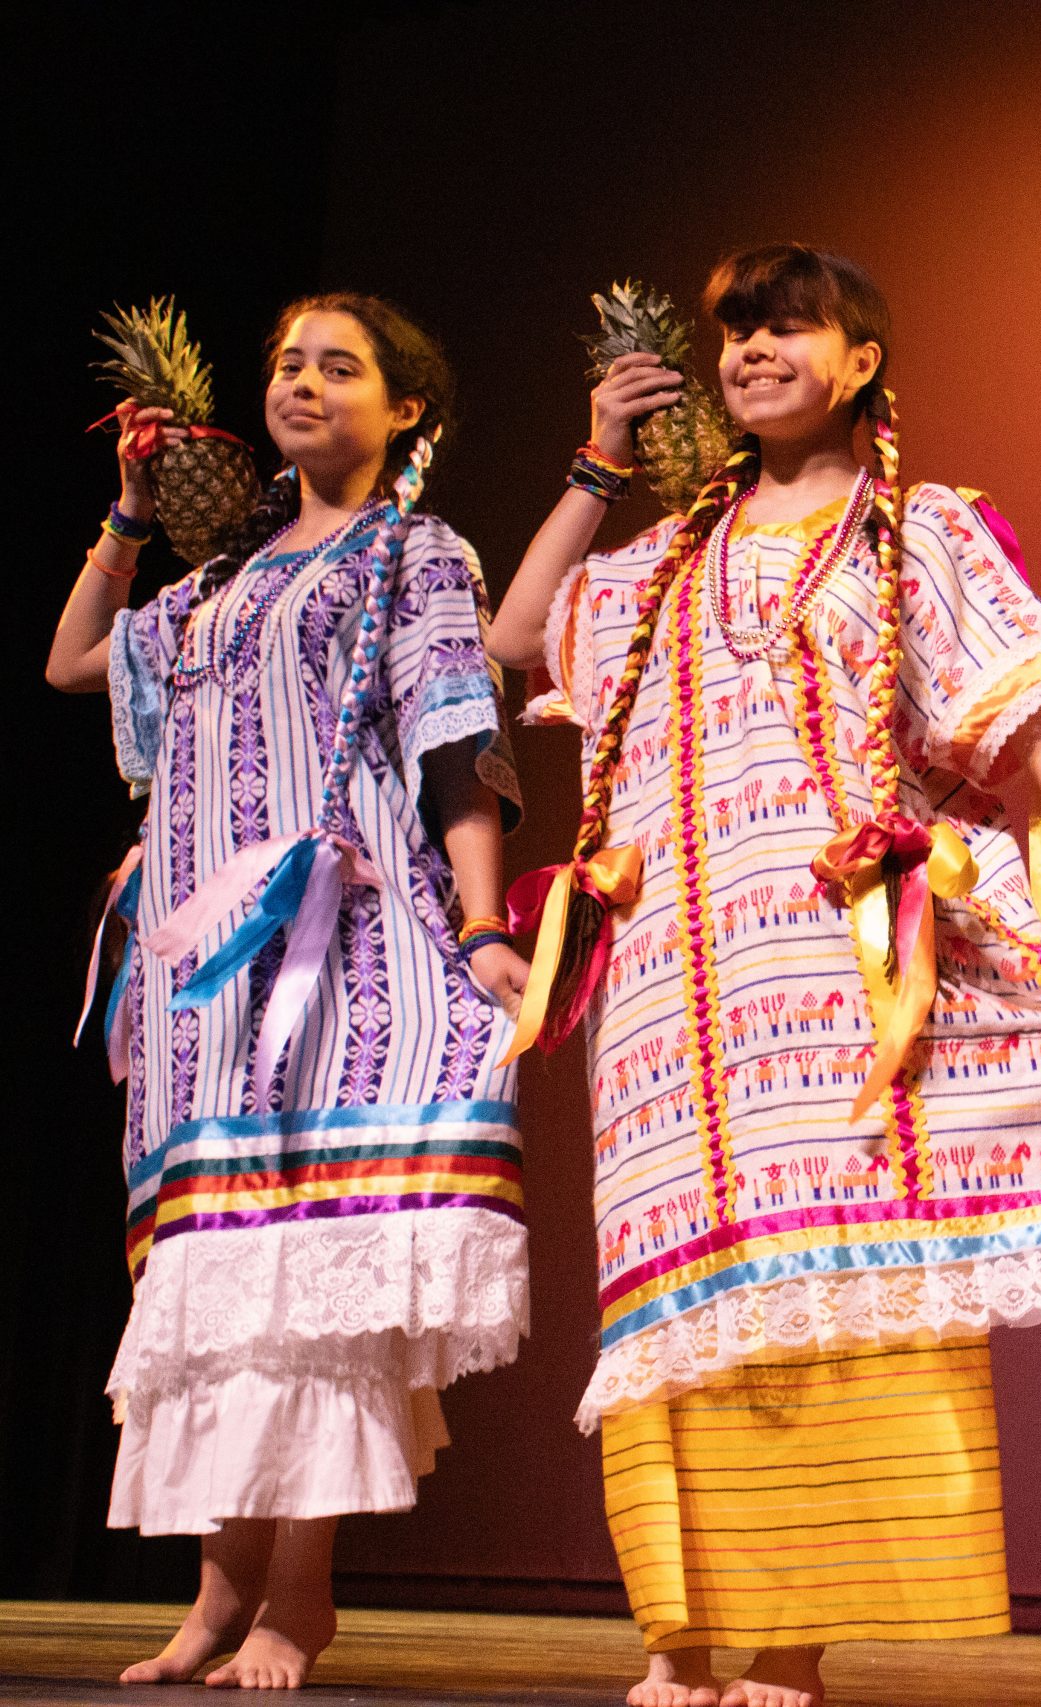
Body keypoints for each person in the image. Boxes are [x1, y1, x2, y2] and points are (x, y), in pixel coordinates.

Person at [486, 243, 1041, 1707]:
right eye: (737, 333)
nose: (754, 351)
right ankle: (678, 1634)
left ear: (862, 361)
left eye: (788, 327)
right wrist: (597, 460)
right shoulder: (660, 558)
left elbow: (1034, 718)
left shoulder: (918, 534)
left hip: (830, 974)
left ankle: (789, 1640)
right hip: (669, 994)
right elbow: (517, 637)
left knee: (829, 1267)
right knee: (677, 1285)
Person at [45, 295, 529, 1690]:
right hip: (205, 972)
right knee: (220, 1276)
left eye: (340, 367)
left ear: (406, 410)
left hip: (346, 948)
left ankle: (296, 1598)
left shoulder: (416, 553)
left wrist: (482, 923)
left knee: (317, 1267)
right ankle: (218, 1591)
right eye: (287, 366)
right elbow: (75, 661)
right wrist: (130, 517)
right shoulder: (211, 584)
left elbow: (457, 748)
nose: (303, 384)